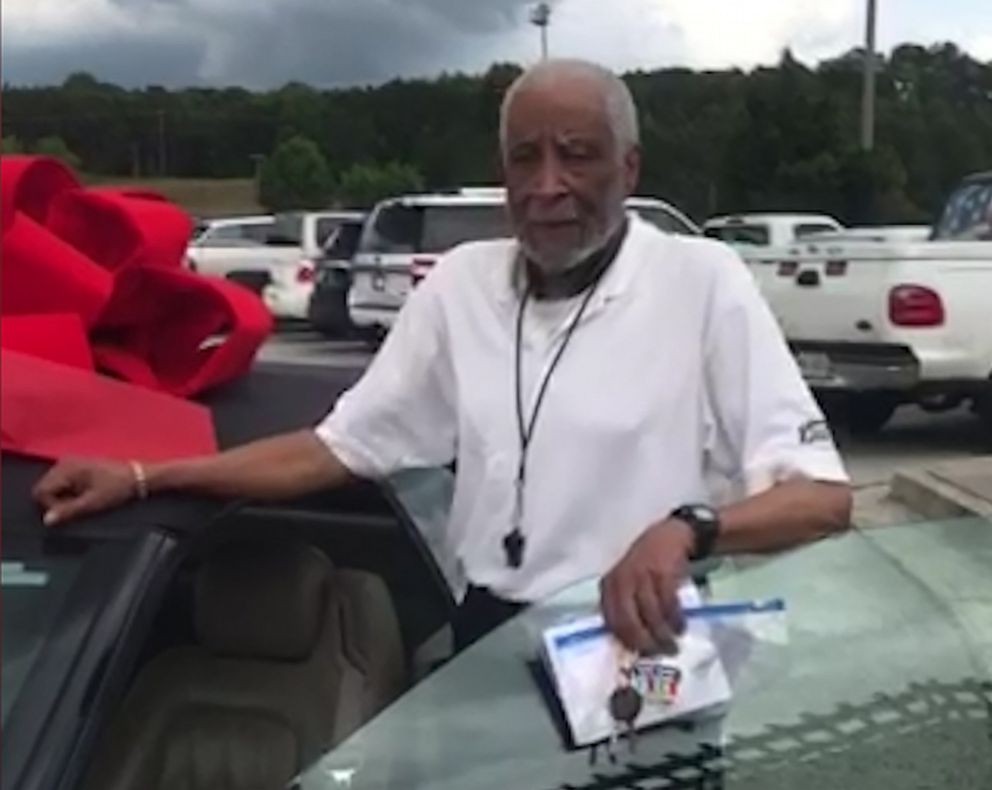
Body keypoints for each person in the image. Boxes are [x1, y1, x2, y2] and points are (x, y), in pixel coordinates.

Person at [33, 59, 852, 655]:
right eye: (525, 158)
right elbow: (335, 449)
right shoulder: (461, 286)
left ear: (629, 167)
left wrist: (687, 529)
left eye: (578, 153)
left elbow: (821, 501)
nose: (548, 183)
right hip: (489, 641)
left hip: (638, 644)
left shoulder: (701, 281)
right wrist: (143, 476)